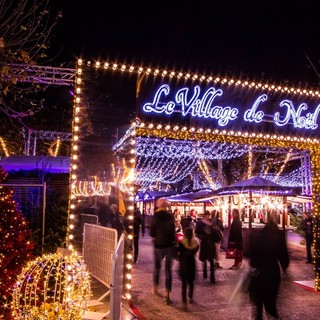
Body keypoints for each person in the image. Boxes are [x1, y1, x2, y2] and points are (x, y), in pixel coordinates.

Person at [248, 211, 289, 320]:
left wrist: (253, 265)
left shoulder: (259, 236)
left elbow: (252, 253)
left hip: (259, 272)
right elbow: (283, 254)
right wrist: (284, 267)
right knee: (271, 298)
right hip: (272, 271)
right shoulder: (279, 237)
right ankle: (272, 314)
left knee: (259, 299)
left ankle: (259, 317)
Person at [150, 197, 176, 305]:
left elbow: (152, 232)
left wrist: (157, 236)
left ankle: (155, 287)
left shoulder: (155, 216)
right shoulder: (170, 216)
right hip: (169, 245)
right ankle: (167, 292)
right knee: (168, 270)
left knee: (157, 267)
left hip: (158, 245)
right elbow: (173, 231)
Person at [177, 227, 199, 310]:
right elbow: (195, 251)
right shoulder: (196, 243)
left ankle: (184, 302)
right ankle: (190, 297)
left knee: (184, 284)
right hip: (191, 264)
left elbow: (178, 251)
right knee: (191, 282)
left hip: (183, 264)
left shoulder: (182, 243)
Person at [195, 210, 217, 284]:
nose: (208, 217)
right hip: (204, 243)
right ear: (204, 215)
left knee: (211, 261)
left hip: (211, 243)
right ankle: (204, 271)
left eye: (209, 215)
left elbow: (215, 231)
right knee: (204, 259)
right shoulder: (200, 223)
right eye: (207, 215)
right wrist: (203, 237)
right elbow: (197, 232)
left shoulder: (212, 223)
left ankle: (212, 277)